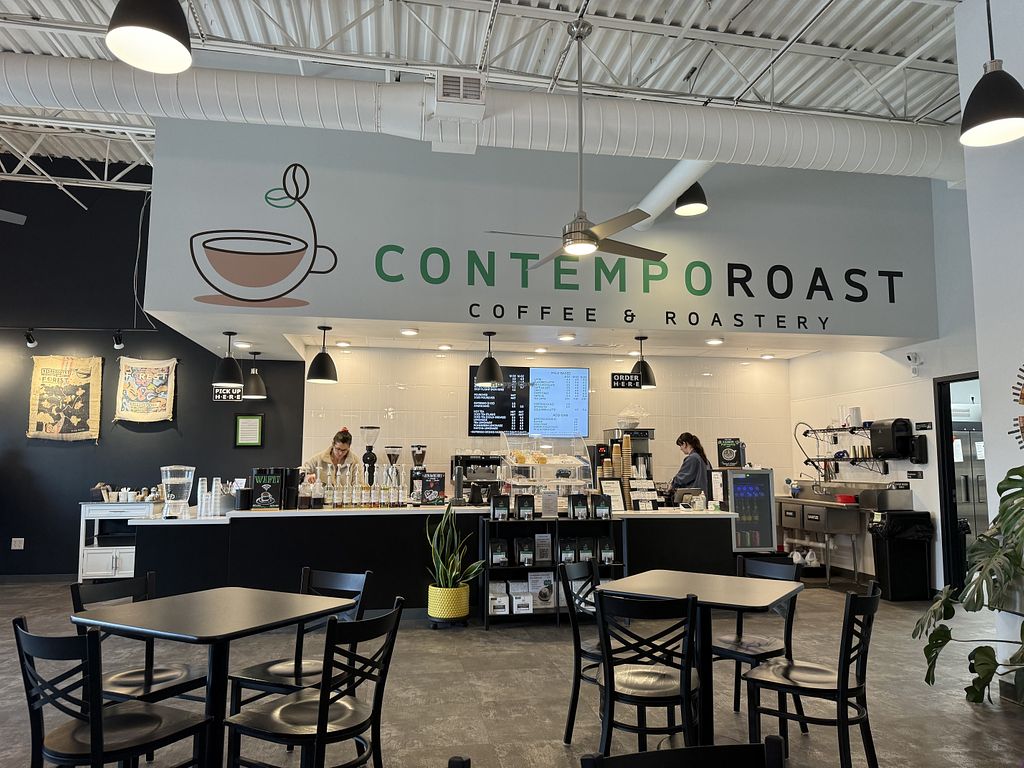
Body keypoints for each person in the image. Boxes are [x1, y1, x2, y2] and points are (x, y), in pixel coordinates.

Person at [671, 432, 712, 497]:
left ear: (685, 444)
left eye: (680, 445)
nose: (680, 448)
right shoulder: (704, 459)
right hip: (704, 497)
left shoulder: (692, 458)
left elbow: (682, 478)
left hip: (695, 497)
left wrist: (672, 484)